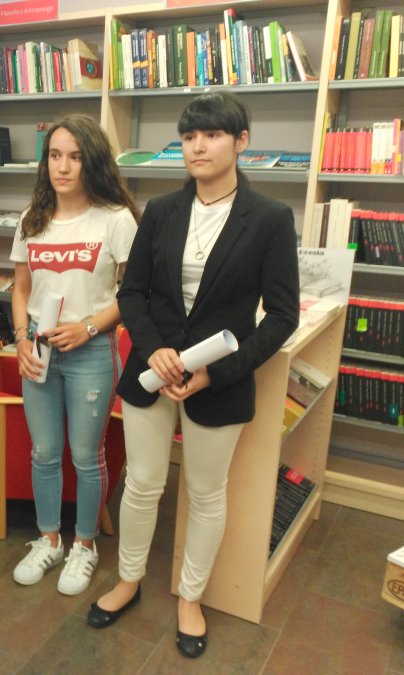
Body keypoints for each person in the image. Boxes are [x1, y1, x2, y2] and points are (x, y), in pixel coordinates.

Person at [88, 92, 299, 658]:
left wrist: (217, 373)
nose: (198, 146)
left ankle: (190, 597)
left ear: (241, 142)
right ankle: (128, 579)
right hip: (151, 371)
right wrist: (153, 350)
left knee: (206, 493)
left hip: (217, 381)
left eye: (212, 134)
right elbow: (132, 293)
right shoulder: (160, 210)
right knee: (142, 483)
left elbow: (283, 317)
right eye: (188, 137)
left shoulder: (270, 219)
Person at [9, 114, 138, 596]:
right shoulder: (32, 219)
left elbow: (134, 295)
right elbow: (21, 288)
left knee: (86, 455)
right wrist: (21, 339)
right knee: (44, 452)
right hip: (39, 351)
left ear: (93, 161)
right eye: (55, 156)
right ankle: (48, 540)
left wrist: (88, 328)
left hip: (91, 352)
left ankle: (84, 545)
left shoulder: (115, 219)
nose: (63, 167)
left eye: (76, 157)